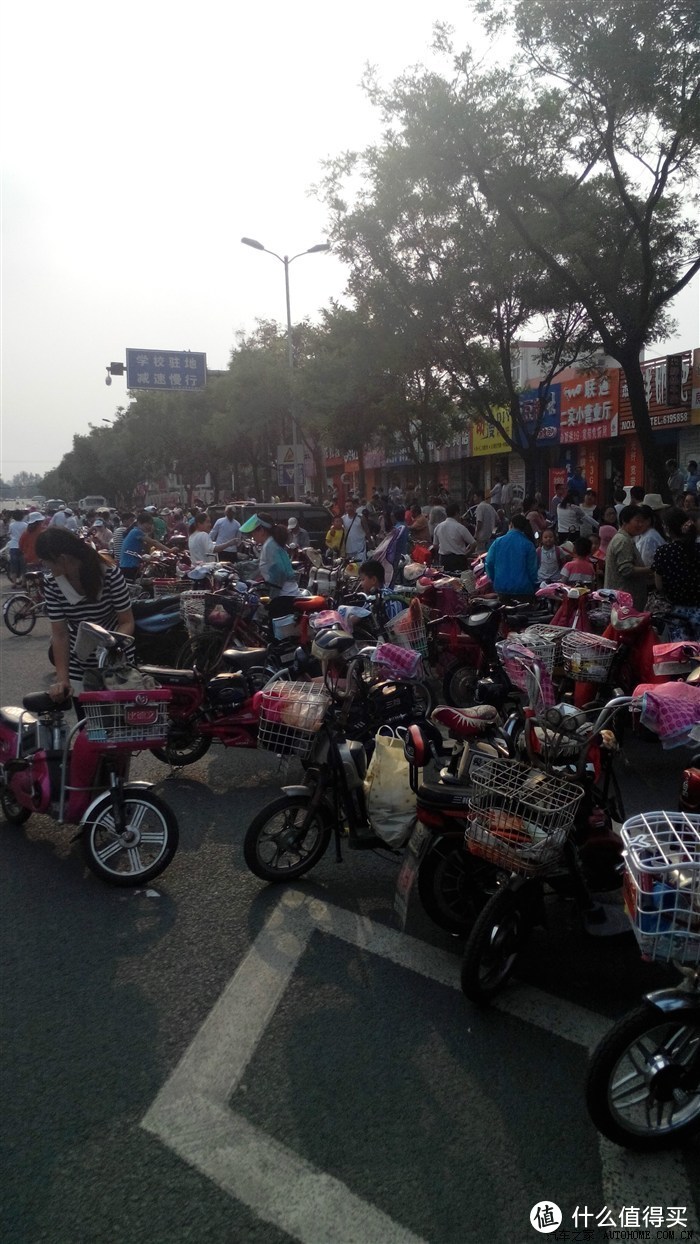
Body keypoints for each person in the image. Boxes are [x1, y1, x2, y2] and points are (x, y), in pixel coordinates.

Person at [35, 527, 134, 700]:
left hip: (116, 660)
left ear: (62, 559)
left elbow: (126, 621)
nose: (46, 567)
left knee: (118, 722)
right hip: (79, 663)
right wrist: (62, 679)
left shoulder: (109, 574)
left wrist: (109, 644)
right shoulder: (52, 584)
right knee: (86, 724)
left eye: (45, 562)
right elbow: (60, 634)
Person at [652, 508, 700, 639]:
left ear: (667, 528)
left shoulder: (663, 551)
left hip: (675, 612)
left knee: (680, 652)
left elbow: (659, 585)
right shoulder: (697, 549)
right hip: (698, 609)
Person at [241, 513, 299, 618]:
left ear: (262, 531)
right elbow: (260, 564)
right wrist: (237, 566)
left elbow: (279, 571)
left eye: (253, 532)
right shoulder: (270, 543)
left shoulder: (270, 546)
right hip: (287, 594)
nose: (252, 536)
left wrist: (273, 595)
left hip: (284, 597)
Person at [603, 505, 651, 610]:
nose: (640, 525)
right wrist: (651, 569)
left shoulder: (626, 538)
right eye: (637, 521)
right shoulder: (623, 540)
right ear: (625, 521)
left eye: (642, 521)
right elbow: (626, 570)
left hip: (622, 602)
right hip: (623, 605)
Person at [485, 514, 538, 599]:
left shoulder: (498, 542)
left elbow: (489, 563)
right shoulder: (528, 545)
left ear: (511, 524)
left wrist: (495, 579)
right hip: (524, 590)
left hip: (501, 589)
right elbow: (533, 571)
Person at [119, 511, 166, 581]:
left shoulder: (135, 531)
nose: (149, 526)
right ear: (139, 523)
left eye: (151, 524)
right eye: (147, 524)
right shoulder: (136, 532)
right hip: (129, 566)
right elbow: (154, 542)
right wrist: (170, 550)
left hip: (128, 565)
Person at [432, 501, 476, 573]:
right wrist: (467, 553)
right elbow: (473, 543)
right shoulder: (460, 527)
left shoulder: (438, 527)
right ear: (456, 513)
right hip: (459, 560)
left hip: (444, 559)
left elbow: (435, 546)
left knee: (446, 580)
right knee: (460, 581)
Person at [635, 502, 666, 568]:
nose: (637, 524)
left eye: (640, 521)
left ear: (648, 521)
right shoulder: (646, 535)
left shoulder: (649, 539)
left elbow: (647, 564)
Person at [340, 498, 371, 562]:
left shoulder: (361, 517)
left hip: (360, 549)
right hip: (348, 550)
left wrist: (370, 543)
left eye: (350, 506)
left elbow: (367, 531)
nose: (349, 508)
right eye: (347, 507)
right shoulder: (343, 519)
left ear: (354, 507)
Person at [7, 510, 28, 583]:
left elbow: (9, 534)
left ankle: (14, 583)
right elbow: (26, 536)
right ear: (22, 516)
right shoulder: (25, 525)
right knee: (23, 566)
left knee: (13, 565)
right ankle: (23, 582)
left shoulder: (11, 525)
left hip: (13, 546)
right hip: (23, 547)